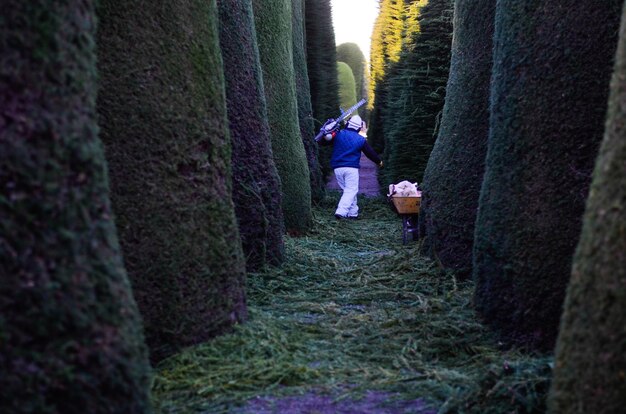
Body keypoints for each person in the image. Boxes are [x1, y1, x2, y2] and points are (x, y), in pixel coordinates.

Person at [318, 115, 383, 220]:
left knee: (348, 191)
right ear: (358, 128)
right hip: (351, 168)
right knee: (351, 190)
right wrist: (379, 161)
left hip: (337, 168)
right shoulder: (360, 139)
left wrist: (326, 131)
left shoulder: (338, 134)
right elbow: (370, 153)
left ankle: (353, 214)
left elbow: (323, 142)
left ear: (347, 124)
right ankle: (341, 212)